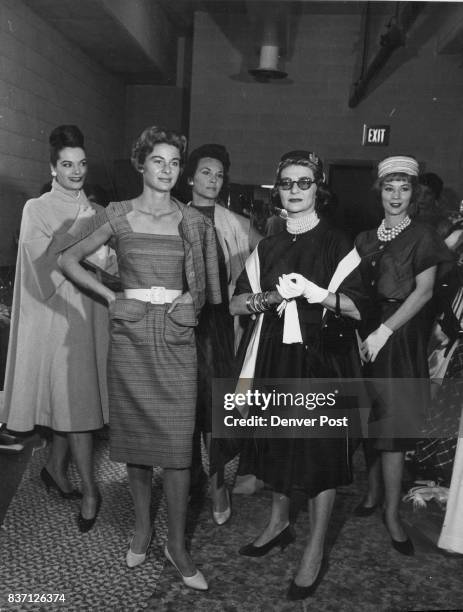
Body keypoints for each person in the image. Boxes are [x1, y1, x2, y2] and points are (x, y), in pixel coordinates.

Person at [58, 126, 221, 590]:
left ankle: (177, 543)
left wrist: (191, 299)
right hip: (130, 335)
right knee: (134, 442)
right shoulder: (117, 215)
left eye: (174, 163)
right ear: (141, 165)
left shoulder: (193, 221)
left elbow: (207, 288)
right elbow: (69, 260)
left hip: (175, 338)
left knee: (176, 448)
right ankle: (142, 529)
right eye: (158, 162)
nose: (167, 170)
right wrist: (110, 298)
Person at [229, 150, 365, 600]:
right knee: (278, 445)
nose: (294, 190)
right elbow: (235, 303)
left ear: (318, 188)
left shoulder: (336, 242)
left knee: (320, 453)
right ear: (277, 189)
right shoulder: (267, 245)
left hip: (322, 361)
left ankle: (316, 548)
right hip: (275, 359)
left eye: (303, 182)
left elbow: (358, 306)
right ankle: (278, 521)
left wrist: (315, 292)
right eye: (286, 183)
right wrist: (268, 298)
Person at [0, 125, 109, 530]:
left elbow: (108, 265)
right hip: (56, 319)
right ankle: (91, 491)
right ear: (53, 168)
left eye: (81, 164)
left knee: (73, 400)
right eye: (67, 165)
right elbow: (39, 272)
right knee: (77, 408)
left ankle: (54, 468)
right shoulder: (37, 208)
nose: (76, 172)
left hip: (89, 315)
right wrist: (78, 231)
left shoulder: (96, 209)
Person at [354, 155, 453, 556]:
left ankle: (393, 515)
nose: (397, 195)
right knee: (368, 419)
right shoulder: (364, 238)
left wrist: (384, 331)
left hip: (400, 333)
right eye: (390, 187)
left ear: (414, 193)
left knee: (392, 430)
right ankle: (372, 493)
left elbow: (424, 292)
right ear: (380, 191)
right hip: (366, 331)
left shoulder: (424, 236)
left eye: (405, 187)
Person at [182, 143, 260, 523]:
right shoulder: (172, 218)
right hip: (179, 328)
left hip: (218, 329)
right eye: (206, 173)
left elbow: (269, 260)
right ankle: (192, 476)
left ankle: (217, 485)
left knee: (216, 408)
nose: (213, 180)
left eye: (219, 174)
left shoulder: (238, 224)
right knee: (184, 407)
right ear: (190, 177)